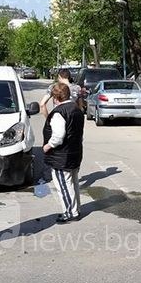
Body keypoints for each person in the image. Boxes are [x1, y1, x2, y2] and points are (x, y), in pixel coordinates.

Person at [42, 82, 85, 223]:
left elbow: (58, 137)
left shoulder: (59, 113)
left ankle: (70, 213)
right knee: (73, 183)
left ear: (55, 98)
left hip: (61, 156)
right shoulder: (76, 109)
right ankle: (76, 209)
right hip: (75, 152)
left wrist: (48, 146)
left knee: (63, 185)